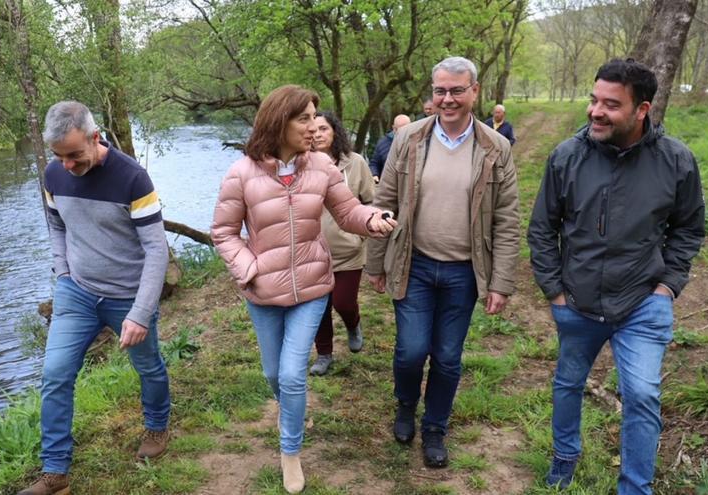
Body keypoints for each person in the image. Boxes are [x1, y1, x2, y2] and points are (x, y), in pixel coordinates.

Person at [527, 59, 705, 494]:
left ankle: (635, 487)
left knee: (642, 396)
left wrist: (667, 288)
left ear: (642, 109)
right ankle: (565, 456)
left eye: (611, 104)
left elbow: (688, 228)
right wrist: (555, 292)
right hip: (578, 301)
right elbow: (541, 228)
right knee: (568, 384)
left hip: (644, 303)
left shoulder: (676, 160)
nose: (595, 112)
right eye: (593, 100)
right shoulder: (568, 156)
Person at [211, 85, 396, 494]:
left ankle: (289, 451)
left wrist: (373, 219)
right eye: (305, 118)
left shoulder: (322, 168)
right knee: (273, 373)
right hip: (263, 291)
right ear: (280, 122)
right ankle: (291, 415)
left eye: (315, 117)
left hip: (312, 287)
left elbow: (348, 211)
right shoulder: (241, 173)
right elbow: (223, 232)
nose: (315, 126)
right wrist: (249, 269)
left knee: (293, 375)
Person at [365, 56, 520, 468]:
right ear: (431, 93)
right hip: (413, 264)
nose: (447, 99)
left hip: (464, 273)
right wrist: (376, 265)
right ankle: (404, 405)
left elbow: (507, 218)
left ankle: (435, 427)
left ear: (474, 92)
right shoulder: (410, 139)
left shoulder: (495, 147)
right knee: (412, 351)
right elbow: (384, 203)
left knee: (448, 356)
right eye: (440, 90)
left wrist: (501, 283)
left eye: (456, 90)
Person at [20, 101, 171, 495]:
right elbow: (56, 226)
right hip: (77, 292)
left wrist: (140, 313)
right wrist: (63, 272)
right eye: (59, 156)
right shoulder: (54, 173)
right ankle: (55, 473)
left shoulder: (133, 178)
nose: (66, 165)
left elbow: (157, 251)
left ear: (95, 136)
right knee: (55, 374)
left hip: (128, 296)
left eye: (74, 155)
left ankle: (157, 425)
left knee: (148, 367)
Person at [308, 111, 376, 376]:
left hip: (347, 250)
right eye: (312, 130)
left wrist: (360, 235)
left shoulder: (355, 163)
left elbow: (370, 200)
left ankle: (353, 323)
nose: (317, 135)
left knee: (343, 302)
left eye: (323, 129)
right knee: (317, 309)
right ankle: (324, 354)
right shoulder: (302, 164)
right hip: (312, 252)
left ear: (335, 131)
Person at [368, 114, 411, 182]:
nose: (402, 132)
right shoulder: (383, 143)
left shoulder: (418, 142)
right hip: (388, 184)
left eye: (405, 129)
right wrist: (374, 174)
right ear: (393, 128)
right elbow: (374, 163)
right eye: (399, 129)